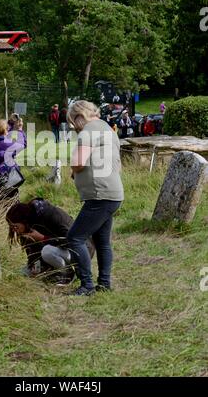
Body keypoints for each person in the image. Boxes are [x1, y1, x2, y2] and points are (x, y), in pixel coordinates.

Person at [66, 100, 124, 296]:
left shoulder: (89, 130)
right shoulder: (108, 129)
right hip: (113, 192)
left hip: (100, 195)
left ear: (79, 117)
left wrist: (73, 169)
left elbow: (78, 162)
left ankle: (87, 285)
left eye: (73, 122)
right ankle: (104, 284)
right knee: (102, 241)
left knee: (75, 238)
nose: (74, 127)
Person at [6, 198, 95, 284]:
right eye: (12, 227)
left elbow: (69, 241)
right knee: (24, 271)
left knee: (47, 251)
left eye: (15, 226)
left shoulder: (52, 215)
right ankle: (53, 271)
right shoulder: (30, 222)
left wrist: (42, 238)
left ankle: (68, 274)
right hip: (62, 251)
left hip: (81, 251)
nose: (14, 230)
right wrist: (33, 265)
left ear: (24, 220)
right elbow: (33, 251)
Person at [0, 119, 26, 205]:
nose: (8, 130)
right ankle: (10, 216)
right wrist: (20, 129)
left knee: (2, 196)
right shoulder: (5, 143)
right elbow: (23, 144)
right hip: (6, 174)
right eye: (7, 129)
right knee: (12, 199)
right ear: (4, 130)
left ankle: (1, 216)